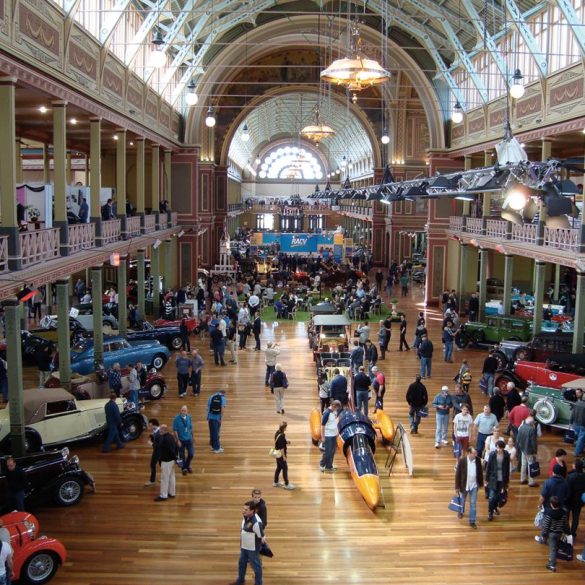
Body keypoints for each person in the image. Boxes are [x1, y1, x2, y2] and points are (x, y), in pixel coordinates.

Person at [229, 500, 266, 585]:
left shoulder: (256, 522)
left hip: (252, 549)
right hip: (244, 546)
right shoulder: (245, 516)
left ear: (252, 511)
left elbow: (261, 536)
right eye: (243, 509)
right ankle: (241, 580)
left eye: (246, 510)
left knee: (256, 566)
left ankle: (258, 583)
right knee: (241, 563)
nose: (243, 511)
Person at [534, 496, 569, 572]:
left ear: (551, 504)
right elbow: (566, 524)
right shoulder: (563, 513)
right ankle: (554, 558)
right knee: (556, 547)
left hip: (552, 534)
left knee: (552, 549)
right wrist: (567, 532)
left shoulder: (549, 513)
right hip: (560, 533)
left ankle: (552, 565)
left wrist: (543, 534)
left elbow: (546, 525)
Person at [455, 446, 483, 529]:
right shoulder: (462, 461)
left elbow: (480, 472)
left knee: (473, 504)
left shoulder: (478, 461)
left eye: (476, 453)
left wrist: (480, 483)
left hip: (474, 485)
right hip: (464, 485)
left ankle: (472, 521)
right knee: (462, 500)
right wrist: (457, 486)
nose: (475, 455)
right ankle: (460, 511)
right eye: (474, 453)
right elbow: (458, 474)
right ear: (469, 453)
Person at [485, 440, 510, 521]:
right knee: (491, 496)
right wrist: (486, 479)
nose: (499, 449)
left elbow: (507, 468)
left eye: (500, 448)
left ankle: (494, 507)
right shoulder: (492, 454)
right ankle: (490, 512)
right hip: (493, 478)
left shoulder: (506, 455)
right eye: (498, 448)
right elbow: (488, 467)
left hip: (502, 478)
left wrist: (507, 482)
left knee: (498, 495)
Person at [154, 424, 177, 502]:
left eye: (160, 429)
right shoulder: (171, 437)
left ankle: (163, 495)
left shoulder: (164, 439)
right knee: (172, 477)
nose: (159, 431)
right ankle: (172, 492)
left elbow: (158, 448)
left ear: (164, 430)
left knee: (164, 478)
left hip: (166, 461)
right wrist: (175, 458)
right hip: (172, 460)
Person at [516, 416, 539, 487]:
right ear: (531, 422)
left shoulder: (522, 427)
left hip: (523, 449)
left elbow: (518, 439)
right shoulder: (532, 429)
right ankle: (531, 482)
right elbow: (533, 442)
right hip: (529, 450)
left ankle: (522, 479)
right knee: (530, 465)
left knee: (523, 464)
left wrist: (520, 447)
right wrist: (535, 451)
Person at [320, 400, 341, 473]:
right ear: (334, 406)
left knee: (332, 451)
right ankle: (322, 465)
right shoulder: (326, 413)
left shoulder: (334, 412)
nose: (337, 410)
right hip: (328, 435)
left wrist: (337, 432)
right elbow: (322, 425)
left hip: (333, 434)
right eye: (337, 408)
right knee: (327, 451)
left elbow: (334, 422)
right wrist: (322, 436)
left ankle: (329, 466)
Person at [173, 405, 194, 476]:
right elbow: (175, 430)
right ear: (180, 410)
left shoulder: (189, 417)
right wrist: (177, 440)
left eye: (185, 410)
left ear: (187, 411)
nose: (183, 412)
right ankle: (183, 468)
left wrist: (193, 437)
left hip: (189, 439)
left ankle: (187, 466)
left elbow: (191, 427)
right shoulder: (176, 418)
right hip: (181, 440)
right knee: (182, 456)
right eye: (182, 410)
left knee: (191, 454)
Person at [566, 459, 585, 537]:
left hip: (570, 500)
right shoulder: (584, 476)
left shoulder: (570, 477)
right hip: (579, 500)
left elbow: (568, 489)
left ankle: (567, 531)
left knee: (567, 516)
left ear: (575, 466)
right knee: (576, 517)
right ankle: (573, 533)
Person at [273, 421, 295, 490]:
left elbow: (278, 441)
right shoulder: (282, 435)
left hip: (277, 454)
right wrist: (284, 457)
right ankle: (286, 484)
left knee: (279, 468)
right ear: (284, 428)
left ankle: (276, 482)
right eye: (286, 427)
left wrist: (286, 442)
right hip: (281, 455)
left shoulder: (277, 432)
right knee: (285, 469)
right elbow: (282, 448)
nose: (286, 428)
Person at [208, 389, 227, 453]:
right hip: (217, 418)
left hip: (210, 417)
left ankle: (214, 446)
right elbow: (222, 409)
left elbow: (208, 407)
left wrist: (208, 416)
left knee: (212, 432)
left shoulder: (211, 397)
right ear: (223, 393)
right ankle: (217, 448)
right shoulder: (222, 398)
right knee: (216, 433)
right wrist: (221, 418)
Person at [144, 418, 161, 487]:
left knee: (152, 465)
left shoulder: (158, 433)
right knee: (162, 464)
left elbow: (158, 445)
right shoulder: (156, 431)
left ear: (155, 425)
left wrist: (151, 443)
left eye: (150, 425)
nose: (149, 427)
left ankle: (152, 480)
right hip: (161, 451)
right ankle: (164, 477)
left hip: (158, 451)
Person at [570, 388, 585, 457]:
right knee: (581, 439)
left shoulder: (576, 403)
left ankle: (580, 450)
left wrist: (570, 422)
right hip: (583, 424)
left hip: (575, 423)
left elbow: (572, 414)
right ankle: (577, 452)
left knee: (580, 437)